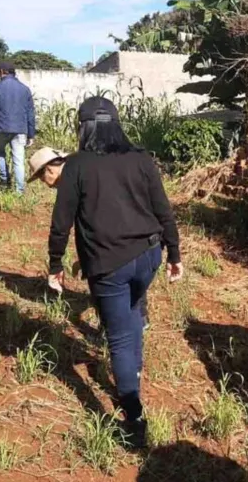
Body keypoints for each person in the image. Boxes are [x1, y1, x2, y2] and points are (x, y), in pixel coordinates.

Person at [47, 97, 183, 447]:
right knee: (134, 313)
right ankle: (132, 376)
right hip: (149, 255)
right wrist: (174, 253)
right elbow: (163, 209)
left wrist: (55, 264)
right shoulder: (141, 159)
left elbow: (61, 222)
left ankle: (134, 419)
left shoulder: (77, 166)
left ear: (84, 127)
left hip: (109, 264)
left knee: (120, 336)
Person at [31, 146, 153, 330]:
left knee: (104, 285)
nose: (45, 184)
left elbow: (60, 227)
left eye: (42, 178)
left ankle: (112, 330)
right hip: (140, 237)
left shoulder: (70, 182)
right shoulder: (89, 169)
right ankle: (138, 320)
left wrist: (56, 263)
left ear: (49, 169)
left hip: (116, 245)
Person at [0, 61, 36, 194]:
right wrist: (31, 134)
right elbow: (30, 113)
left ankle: (5, 181)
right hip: (20, 129)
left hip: (1, 128)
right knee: (18, 160)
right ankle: (19, 191)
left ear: (1, 71)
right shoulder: (25, 89)